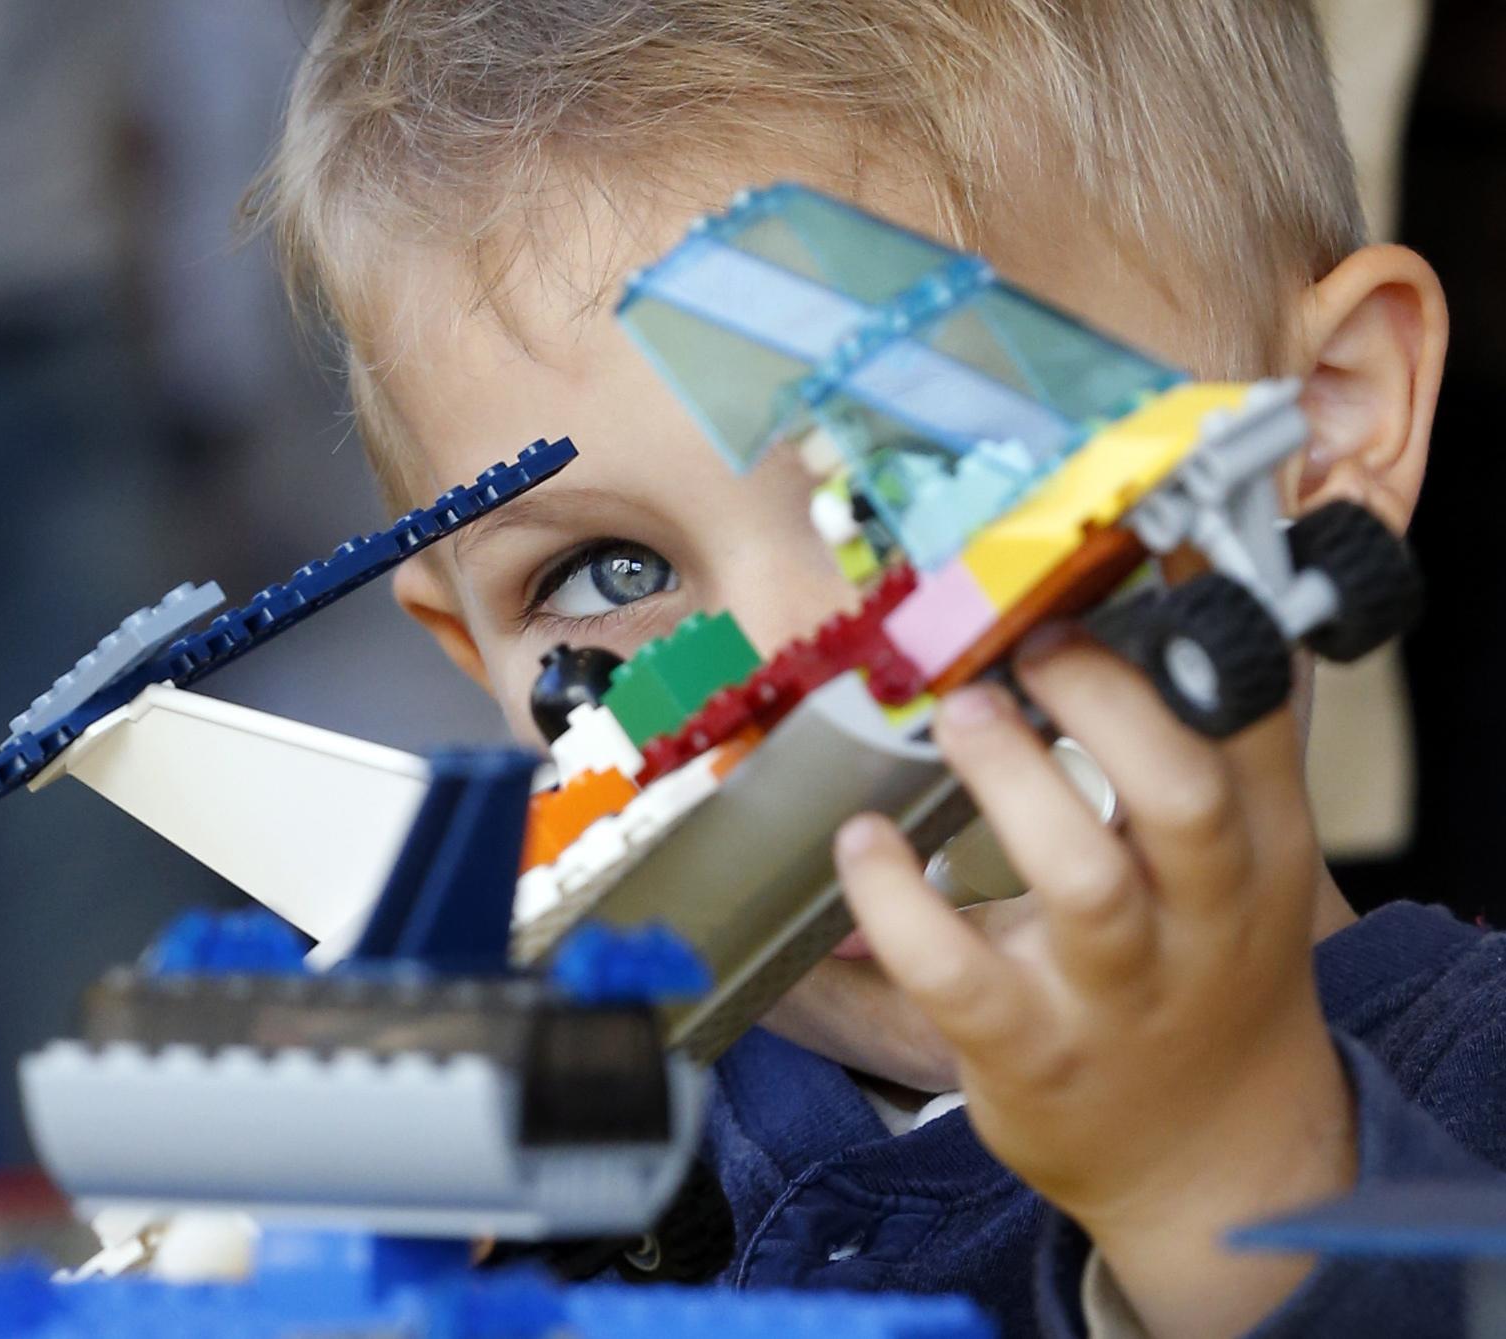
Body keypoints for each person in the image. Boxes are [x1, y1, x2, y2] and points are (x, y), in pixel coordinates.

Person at [249, 3, 1506, 1334]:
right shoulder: (543, 1176)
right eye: (610, 576)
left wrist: (1223, 1179)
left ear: (1320, 425)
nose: (801, 680)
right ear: (473, 653)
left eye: (924, 487)